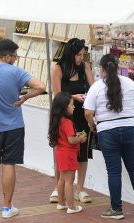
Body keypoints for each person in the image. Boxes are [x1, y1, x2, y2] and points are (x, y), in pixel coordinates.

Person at [0, 39, 45, 219]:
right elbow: (41, 87)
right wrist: (25, 98)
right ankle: (6, 207)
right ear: (6, 56)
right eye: (14, 56)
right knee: (9, 164)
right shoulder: (16, 72)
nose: (16, 59)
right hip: (14, 127)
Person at [83, 54, 134, 220]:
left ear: (101, 69)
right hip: (130, 127)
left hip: (107, 131)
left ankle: (116, 209)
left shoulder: (96, 87)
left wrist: (92, 124)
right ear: (118, 66)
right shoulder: (129, 82)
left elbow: (88, 112)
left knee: (114, 171)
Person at [50, 38, 94, 203]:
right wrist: (73, 97)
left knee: (82, 151)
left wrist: (87, 98)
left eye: (83, 55)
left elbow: (94, 89)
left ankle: (80, 188)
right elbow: (57, 95)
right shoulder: (58, 69)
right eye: (79, 55)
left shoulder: (85, 67)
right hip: (65, 117)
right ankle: (59, 187)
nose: (81, 58)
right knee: (63, 151)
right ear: (70, 54)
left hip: (82, 117)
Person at [48, 92, 86, 214]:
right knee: (70, 181)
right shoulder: (68, 122)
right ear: (65, 107)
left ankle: (61, 203)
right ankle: (71, 206)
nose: (74, 107)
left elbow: (65, 137)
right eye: (71, 104)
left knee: (62, 179)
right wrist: (81, 138)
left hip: (60, 152)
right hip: (68, 153)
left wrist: (76, 136)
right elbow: (71, 140)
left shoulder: (57, 120)